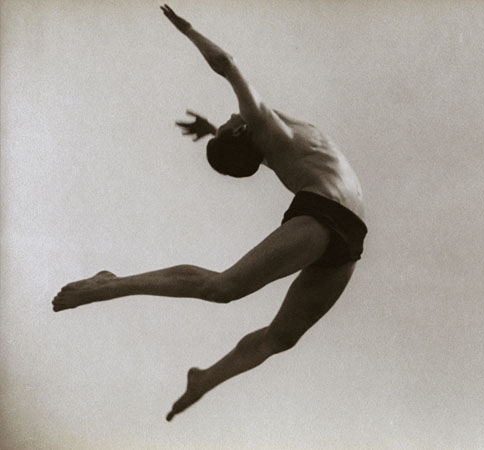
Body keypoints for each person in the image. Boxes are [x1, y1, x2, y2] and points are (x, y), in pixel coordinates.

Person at [52, 4, 368, 422]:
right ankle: (110, 284)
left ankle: (204, 379)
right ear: (243, 132)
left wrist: (211, 133)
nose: (230, 116)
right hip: (325, 215)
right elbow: (226, 63)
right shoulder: (264, 126)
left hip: (351, 240)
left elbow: (237, 145)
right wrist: (188, 30)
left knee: (283, 337)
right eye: (228, 123)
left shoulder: (271, 143)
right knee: (223, 287)